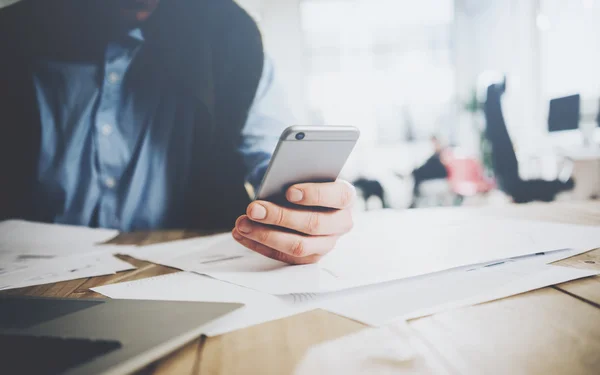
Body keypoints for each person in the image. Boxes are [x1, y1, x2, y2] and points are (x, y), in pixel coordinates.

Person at [0, 0, 355, 265]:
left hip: (191, 270)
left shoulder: (233, 41)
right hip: (25, 273)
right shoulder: (12, 37)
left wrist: (308, 210)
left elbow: (272, 160)